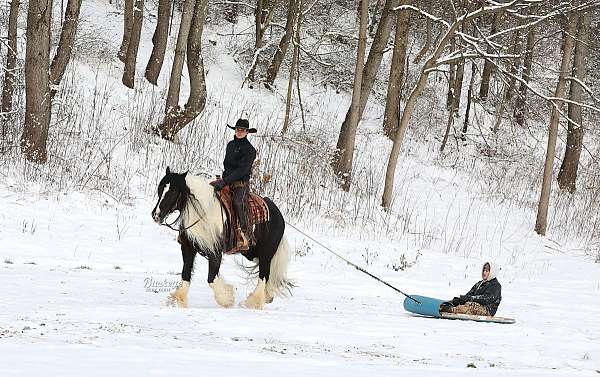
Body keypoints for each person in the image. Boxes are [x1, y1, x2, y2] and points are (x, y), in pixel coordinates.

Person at [210, 118, 257, 250]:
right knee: (209, 192)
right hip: (227, 180)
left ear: (247, 132)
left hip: (240, 183)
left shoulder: (250, 150)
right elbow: (227, 165)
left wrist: (225, 181)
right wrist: (222, 180)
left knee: (237, 202)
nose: (239, 132)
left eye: (242, 130)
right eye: (237, 129)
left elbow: (242, 170)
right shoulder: (230, 145)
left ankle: (246, 234)